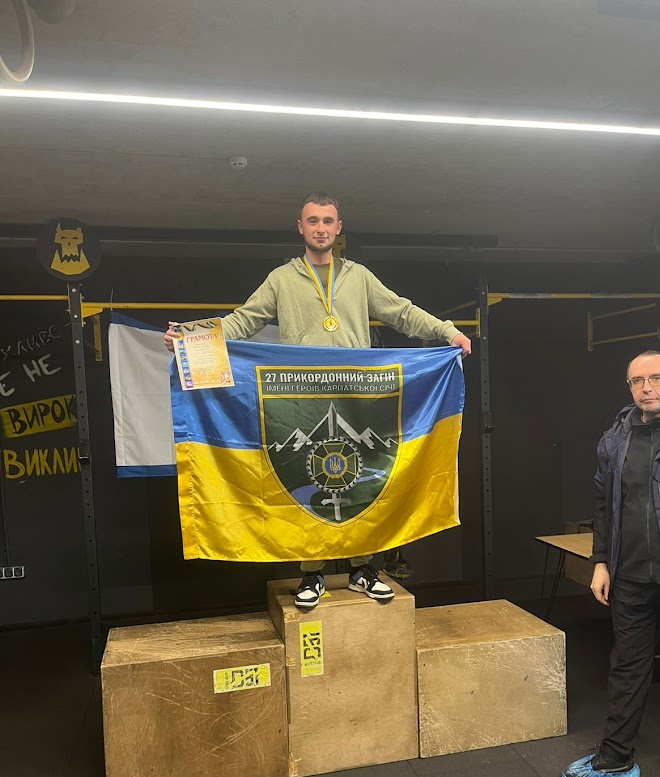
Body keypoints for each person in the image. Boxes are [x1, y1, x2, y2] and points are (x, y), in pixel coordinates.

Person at [164, 191, 471, 610]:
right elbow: (243, 320)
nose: (321, 228)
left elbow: (401, 311)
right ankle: (311, 573)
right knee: (304, 478)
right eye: (313, 221)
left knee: (361, 480)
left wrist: (447, 331)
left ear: (338, 228)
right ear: (301, 227)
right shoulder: (281, 279)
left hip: (358, 397)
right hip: (302, 398)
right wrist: (191, 339)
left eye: (328, 221)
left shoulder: (359, 277)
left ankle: (363, 569)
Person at [561, 350, 660, 777]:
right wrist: (600, 561)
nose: (646, 388)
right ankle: (615, 759)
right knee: (627, 668)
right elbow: (603, 505)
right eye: (637, 381)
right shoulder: (616, 439)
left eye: (656, 378)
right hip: (629, 576)